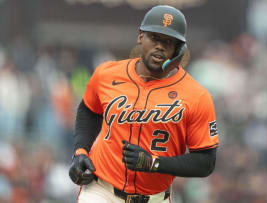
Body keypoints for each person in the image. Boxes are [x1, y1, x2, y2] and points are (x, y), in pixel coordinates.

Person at [68, 5, 219, 203]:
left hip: (154, 198)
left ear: (179, 49)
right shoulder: (107, 74)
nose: (160, 46)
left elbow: (206, 162)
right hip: (101, 191)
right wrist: (80, 151)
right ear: (141, 37)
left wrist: (154, 163)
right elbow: (89, 110)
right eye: (155, 38)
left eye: (168, 42)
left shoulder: (196, 96)